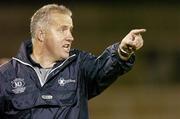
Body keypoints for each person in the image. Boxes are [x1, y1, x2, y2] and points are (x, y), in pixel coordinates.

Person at [0, 4, 146, 119]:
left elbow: (105, 68)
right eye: (63, 30)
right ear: (41, 35)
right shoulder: (6, 75)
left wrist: (122, 51)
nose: (70, 37)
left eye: (70, 30)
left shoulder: (78, 65)